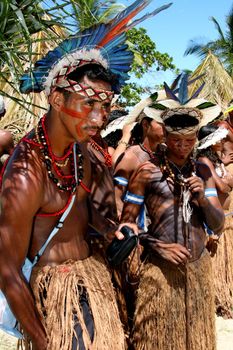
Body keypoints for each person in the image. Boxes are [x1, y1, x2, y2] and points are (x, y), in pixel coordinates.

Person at [0, 1, 171, 348]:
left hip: (95, 289)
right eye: (88, 104)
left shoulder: (85, 152)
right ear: (57, 99)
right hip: (58, 303)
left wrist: (113, 231)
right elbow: (7, 271)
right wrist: (47, 341)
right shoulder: (26, 175)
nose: (99, 118)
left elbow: (88, 211)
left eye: (104, 106)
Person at [120, 75, 224, 350]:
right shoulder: (146, 173)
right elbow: (127, 226)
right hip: (160, 273)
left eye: (189, 140)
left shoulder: (203, 170)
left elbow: (219, 224)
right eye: (176, 139)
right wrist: (158, 246)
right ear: (165, 135)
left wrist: (202, 197)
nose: (182, 146)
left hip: (198, 270)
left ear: (196, 137)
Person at [197, 124, 233, 317]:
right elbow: (222, 186)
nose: (222, 142)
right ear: (210, 142)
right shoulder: (204, 162)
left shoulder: (216, 161)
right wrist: (225, 179)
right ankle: (219, 301)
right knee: (216, 264)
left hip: (224, 219)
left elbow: (228, 185)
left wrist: (225, 168)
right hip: (213, 222)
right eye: (218, 139)